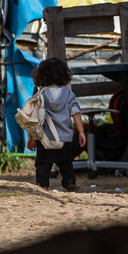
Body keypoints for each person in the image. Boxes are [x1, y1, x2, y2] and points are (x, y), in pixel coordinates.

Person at [30, 58, 86, 192]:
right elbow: (75, 112)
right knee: (66, 163)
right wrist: (81, 132)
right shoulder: (68, 94)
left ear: (41, 76)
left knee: (43, 164)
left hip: (44, 140)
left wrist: (31, 138)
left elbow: (34, 119)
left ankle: (42, 185)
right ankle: (69, 183)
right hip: (64, 139)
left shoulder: (40, 95)